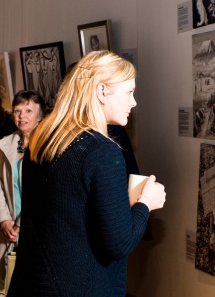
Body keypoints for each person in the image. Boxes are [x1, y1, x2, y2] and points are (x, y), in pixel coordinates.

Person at [7, 51, 166, 297]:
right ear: (102, 92)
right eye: (129, 92)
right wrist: (146, 202)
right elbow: (118, 244)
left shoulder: (41, 140)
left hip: (30, 284)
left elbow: (67, 215)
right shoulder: (103, 151)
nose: (134, 102)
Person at [0, 90, 45, 294]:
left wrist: (21, 221)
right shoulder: (4, 145)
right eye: (17, 111)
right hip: (8, 231)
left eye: (28, 110)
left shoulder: (49, 146)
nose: (21, 116)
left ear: (40, 116)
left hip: (37, 229)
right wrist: (4, 220)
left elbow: (45, 191)